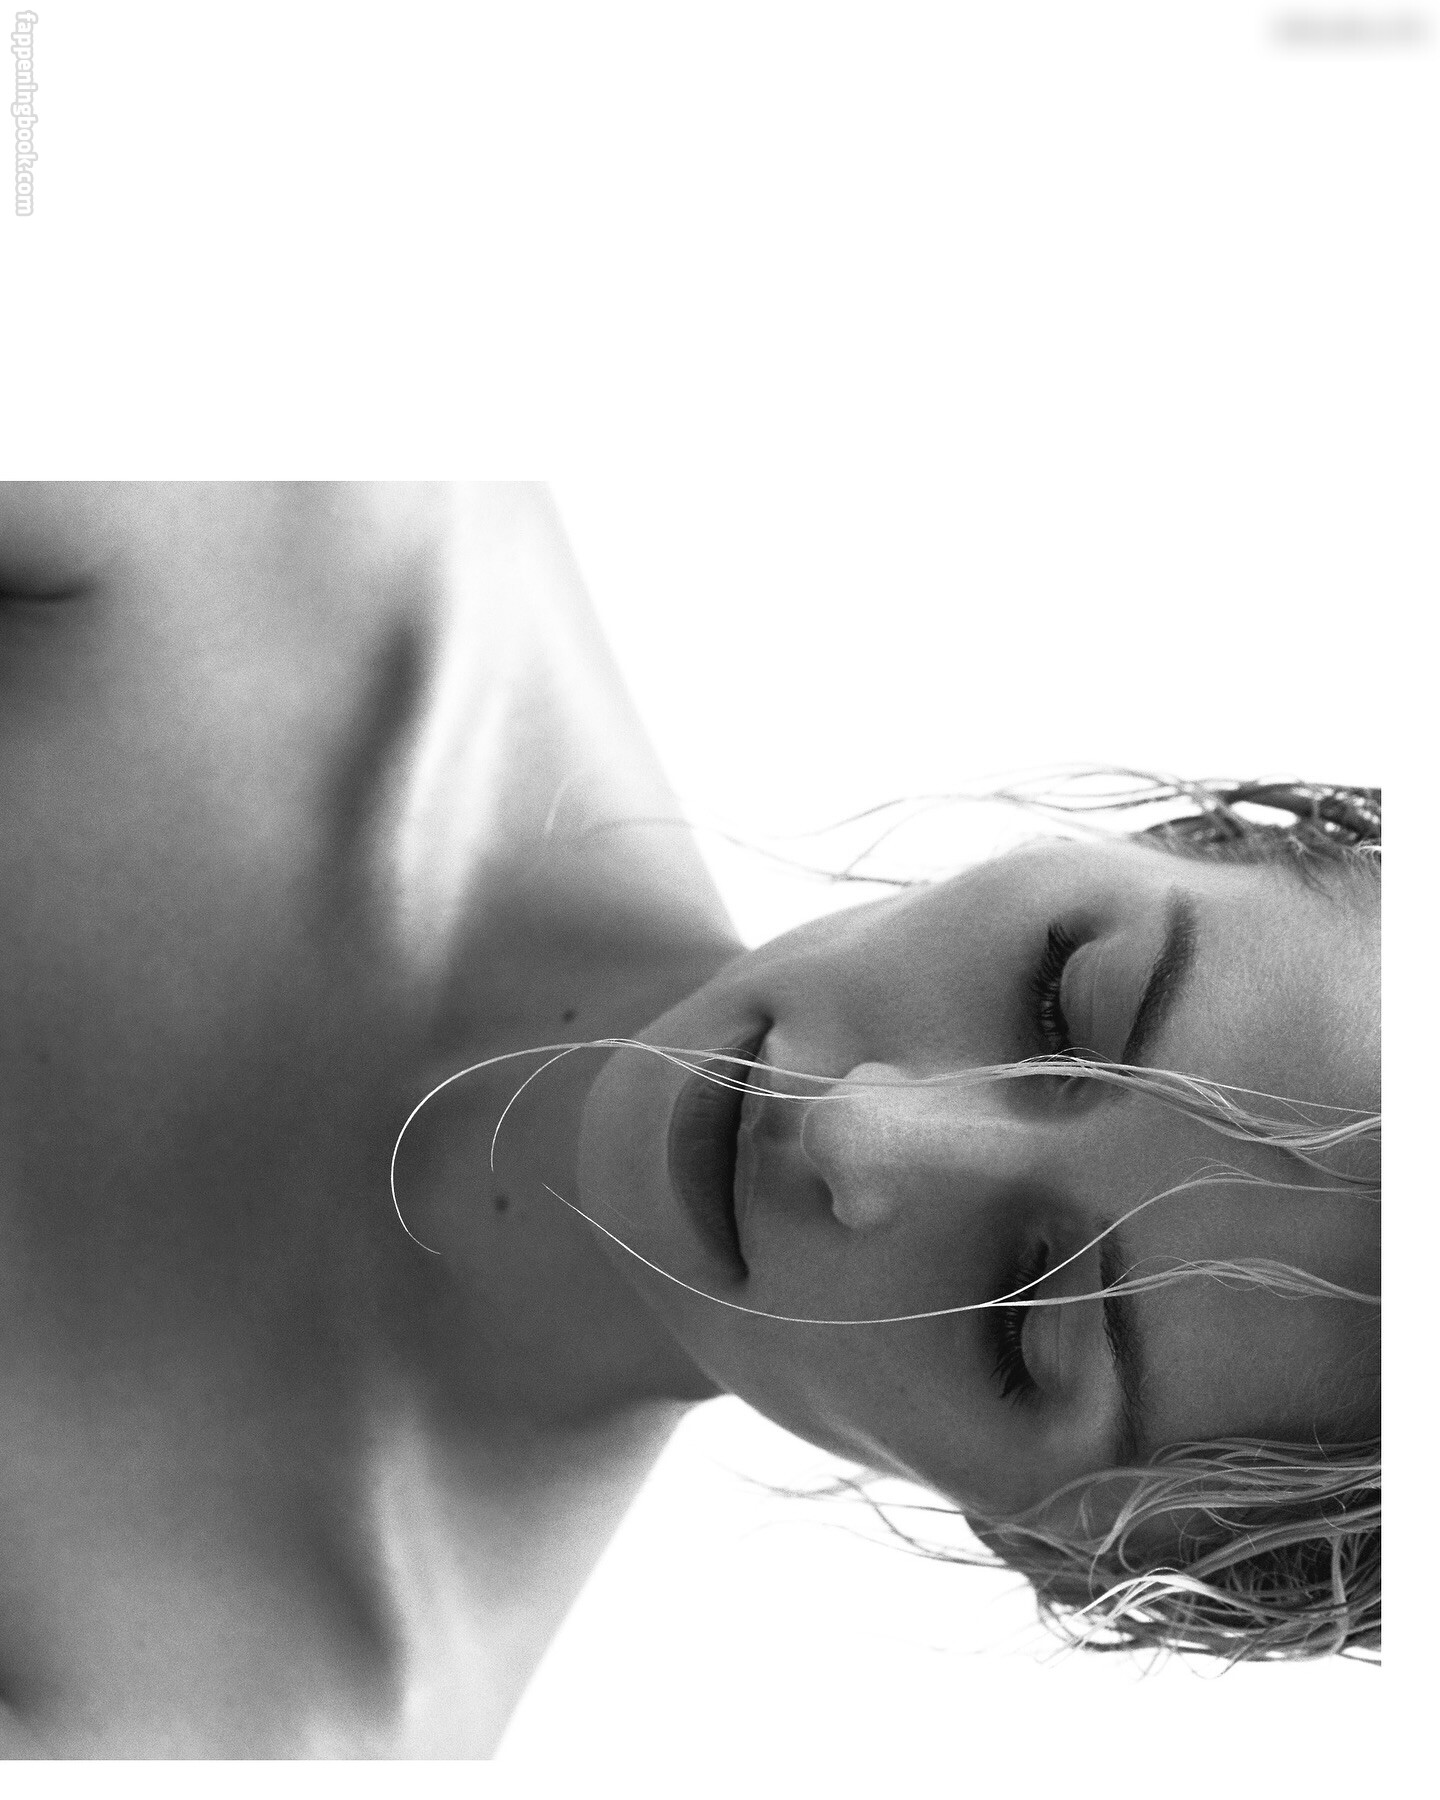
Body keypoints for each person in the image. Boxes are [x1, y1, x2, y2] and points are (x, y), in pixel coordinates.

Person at [0, 482, 1379, 1759]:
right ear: (1174, 840)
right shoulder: (299, 532)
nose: (859, 1134)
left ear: (1065, 1552)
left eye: (1024, 1319)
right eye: (1062, 996)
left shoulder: (236, 1728)